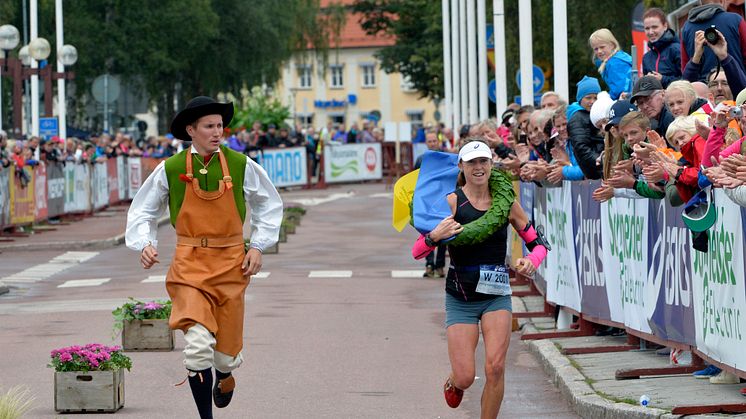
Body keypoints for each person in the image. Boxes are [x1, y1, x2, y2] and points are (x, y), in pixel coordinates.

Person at [125, 96, 283, 419]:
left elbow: (270, 204)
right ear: (191, 130)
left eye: (220, 126)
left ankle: (224, 375)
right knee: (197, 349)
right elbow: (143, 209)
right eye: (209, 126)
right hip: (189, 264)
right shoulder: (170, 168)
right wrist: (145, 243)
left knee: (225, 356)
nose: (217, 132)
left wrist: (257, 245)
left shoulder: (241, 165)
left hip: (231, 264)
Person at [411, 139, 548, 417]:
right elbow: (417, 251)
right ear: (461, 166)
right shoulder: (451, 203)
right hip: (461, 298)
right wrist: (435, 236)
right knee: (465, 377)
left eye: (483, 161)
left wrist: (531, 262)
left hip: (496, 297)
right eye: (472, 162)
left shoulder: (506, 204)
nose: (479, 167)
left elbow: (539, 245)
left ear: (491, 165)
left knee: (495, 368)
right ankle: (454, 380)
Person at [680, 0, 746, 81]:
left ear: (701, 2)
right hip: (734, 84)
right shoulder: (736, 20)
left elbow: (684, 68)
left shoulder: (686, 28)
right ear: (722, 1)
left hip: (702, 89)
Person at [414, 131, 448, 278]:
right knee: (427, 232)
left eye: (434, 141)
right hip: (427, 201)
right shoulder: (421, 159)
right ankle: (429, 264)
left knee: (443, 233)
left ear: (438, 141)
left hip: (443, 201)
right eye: (430, 141)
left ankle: (440, 265)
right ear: (426, 143)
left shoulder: (445, 158)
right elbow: (414, 179)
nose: (432, 143)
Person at [568, 76, 604, 179]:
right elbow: (581, 148)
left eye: (595, 97)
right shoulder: (577, 118)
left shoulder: (596, 114)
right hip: (596, 170)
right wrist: (601, 161)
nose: (592, 101)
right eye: (588, 98)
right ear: (580, 100)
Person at [642, 8, 682, 88]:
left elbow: (688, 80)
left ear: (665, 26)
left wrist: (662, 79)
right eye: (647, 28)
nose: (650, 32)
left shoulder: (677, 50)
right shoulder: (646, 58)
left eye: (654, 27)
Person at [589, 28, 633, 100]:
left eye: (602, 47)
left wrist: (608, 98)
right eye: (596, 49)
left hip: (627, 99)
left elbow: (619, 89)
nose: (599, 51)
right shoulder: (619, 57)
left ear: (612, 45)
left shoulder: (614, 63)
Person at [630, 75, 675, 143]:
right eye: (640, 103)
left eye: (648, 99)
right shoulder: (655, 121)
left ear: (663, 94)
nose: (645, 106)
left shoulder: (670, 117)